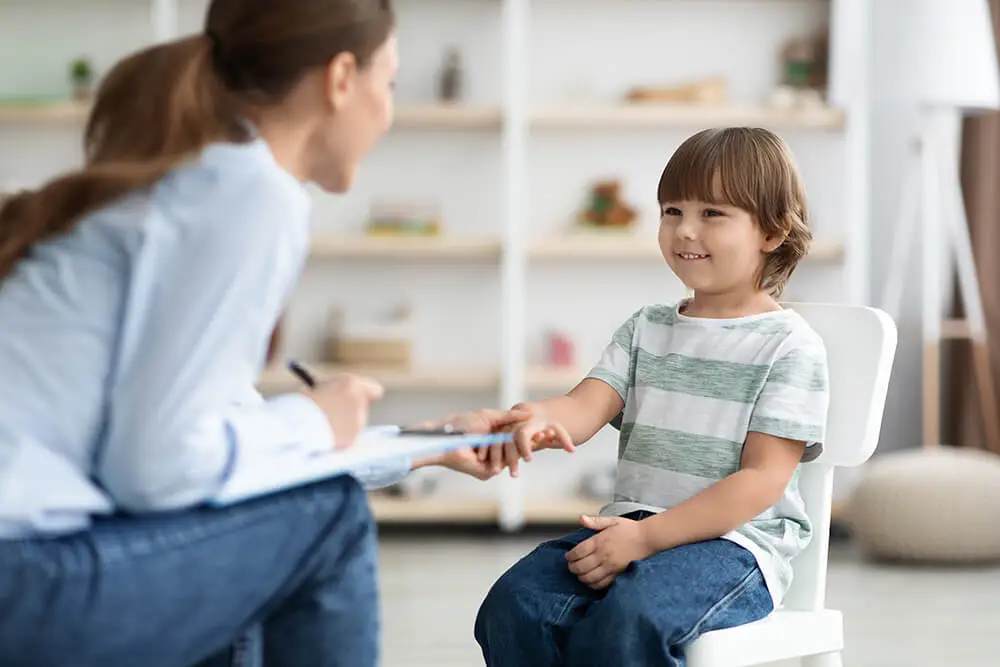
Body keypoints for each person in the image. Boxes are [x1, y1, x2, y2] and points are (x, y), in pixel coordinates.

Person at [0, 1, 525, 666]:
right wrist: (311, 418)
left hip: (23, 558)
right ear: (340, 78)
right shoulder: (251, 193)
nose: (388, 112)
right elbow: (156, 470)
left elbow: (218, 438)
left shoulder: (181, 186)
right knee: (325, 513)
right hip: (20, 574)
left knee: (254, 518)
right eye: (387, 84)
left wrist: (420, 442)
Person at [471, 127, 832, 667]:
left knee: (630, 619)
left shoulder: (790, 346)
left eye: (712, 213)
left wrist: (647, 540)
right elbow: (585, 406)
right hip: (633, 524)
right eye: (671, 211)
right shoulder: (647, 328)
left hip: (735, 547)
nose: (685, 230)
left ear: (773, 232)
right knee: (516, 603)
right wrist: (533, 417)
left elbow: (761, 482)